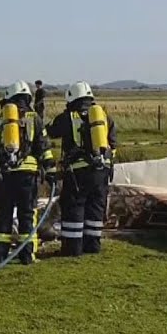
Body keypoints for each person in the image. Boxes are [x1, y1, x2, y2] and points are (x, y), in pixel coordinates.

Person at [0, 81, 54, 263]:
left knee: (4, 215)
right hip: (28, 176)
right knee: (27, 215)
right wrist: (50, 169)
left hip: (5, 175)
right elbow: (43, 146)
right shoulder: (34, 118)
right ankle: (26, 255)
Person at [46, 82, 117, 256]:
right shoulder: (104, 117)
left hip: (78, 173)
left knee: (74, 208)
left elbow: (49, 132)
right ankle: (92, 246)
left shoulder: (68, 117)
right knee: (96, 207)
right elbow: (113, 144)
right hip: (102, 171)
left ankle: (72, 248)